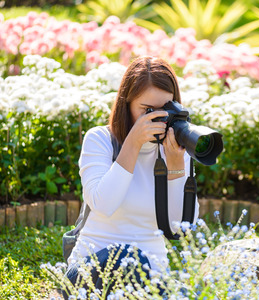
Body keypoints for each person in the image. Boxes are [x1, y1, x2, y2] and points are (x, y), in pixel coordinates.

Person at [63, 56, 199, 297]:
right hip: (91, 273)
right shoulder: (100, 140)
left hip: (149, 280)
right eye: (147, 111)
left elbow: (181, 228)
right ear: (127, 105)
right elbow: (104, 204)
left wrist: (177, 165)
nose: (159, 118)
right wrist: (132, 143)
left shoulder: (176, 149)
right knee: (127, 258)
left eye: (166, 109)